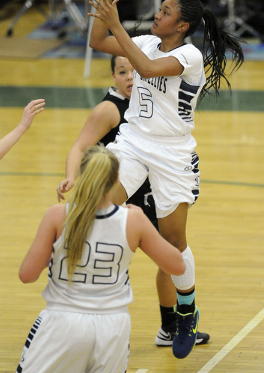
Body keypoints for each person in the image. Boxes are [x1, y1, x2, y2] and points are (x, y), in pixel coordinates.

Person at [88, 0, 244, 359]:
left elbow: (145, 67)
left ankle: (186, 311)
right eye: (160, 9)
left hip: (173, 153)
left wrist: (118, 23)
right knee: (97, 210)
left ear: (182, 26)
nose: (158, 14)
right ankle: (93, 305)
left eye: (166, 12)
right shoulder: (143, 40)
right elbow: (97, 41)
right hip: (133, 142)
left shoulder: (190, 56)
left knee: (174, 243)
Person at [56, 54, 210, 346]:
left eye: (133, 70)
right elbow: (78, 146)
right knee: (106, 254)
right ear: (113, 76)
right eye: (122, 71)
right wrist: (72, 177)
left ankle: (171, 326)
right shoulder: (109, 109)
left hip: (149, 193)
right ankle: (83, 316)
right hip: (120, 195)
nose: (129, 76)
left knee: (169, 256)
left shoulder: (148, 98)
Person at [16, 145, 185, 373]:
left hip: (63, 322)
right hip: (113, 327)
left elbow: (27, 275)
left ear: (83, 175)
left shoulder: (58, 215)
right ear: (116, 178)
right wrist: (144, 226)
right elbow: (177, 265)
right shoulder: (132, 220)